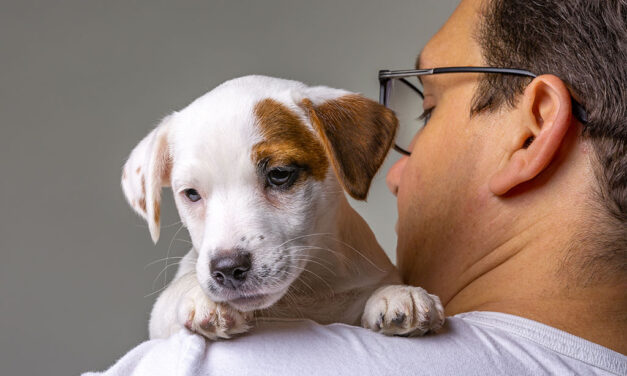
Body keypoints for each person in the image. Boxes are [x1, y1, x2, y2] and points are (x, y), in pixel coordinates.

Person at [84, 0, 626, 374]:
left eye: (428, 109)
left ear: (533, 130)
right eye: (192, 196)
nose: (394, 171)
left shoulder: (199, 366)